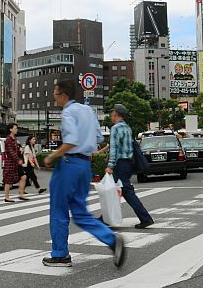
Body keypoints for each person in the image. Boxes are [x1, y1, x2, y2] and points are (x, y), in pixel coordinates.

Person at [43, 79, 125, 268]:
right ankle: (112, 239)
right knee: (80, 212)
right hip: (84, 165)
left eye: (55, 95)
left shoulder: (68, 112)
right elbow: (97, 137)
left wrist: (51, 156)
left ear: (63, 95)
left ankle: (60, 255)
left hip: (69, 164)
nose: (55, 98)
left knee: (58, 210)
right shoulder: (88, 111)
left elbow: (70, 141)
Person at [106, 103, 154, 228]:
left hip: (119, 164)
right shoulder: (127, 128)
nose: (111, 115)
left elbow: (114, 149)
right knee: (117, 191)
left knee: (120, 191)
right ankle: (105, 218)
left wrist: (110, 165)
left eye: (112, 113)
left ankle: (146, 218)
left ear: (116, 114)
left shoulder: (115, 128)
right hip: (128, 163)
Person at [2, 124, 28, 203]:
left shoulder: (14, 139)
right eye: (15, 128)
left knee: (23, 177)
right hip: (10, 163)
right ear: (11, 129)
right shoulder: (8, 139)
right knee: (8, 180)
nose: (17, 129)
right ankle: (6, 197)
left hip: (15, 163)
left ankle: (21, 194)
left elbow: (15, 150)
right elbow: (11, 151)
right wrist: (18, 159)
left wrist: (20, 149)